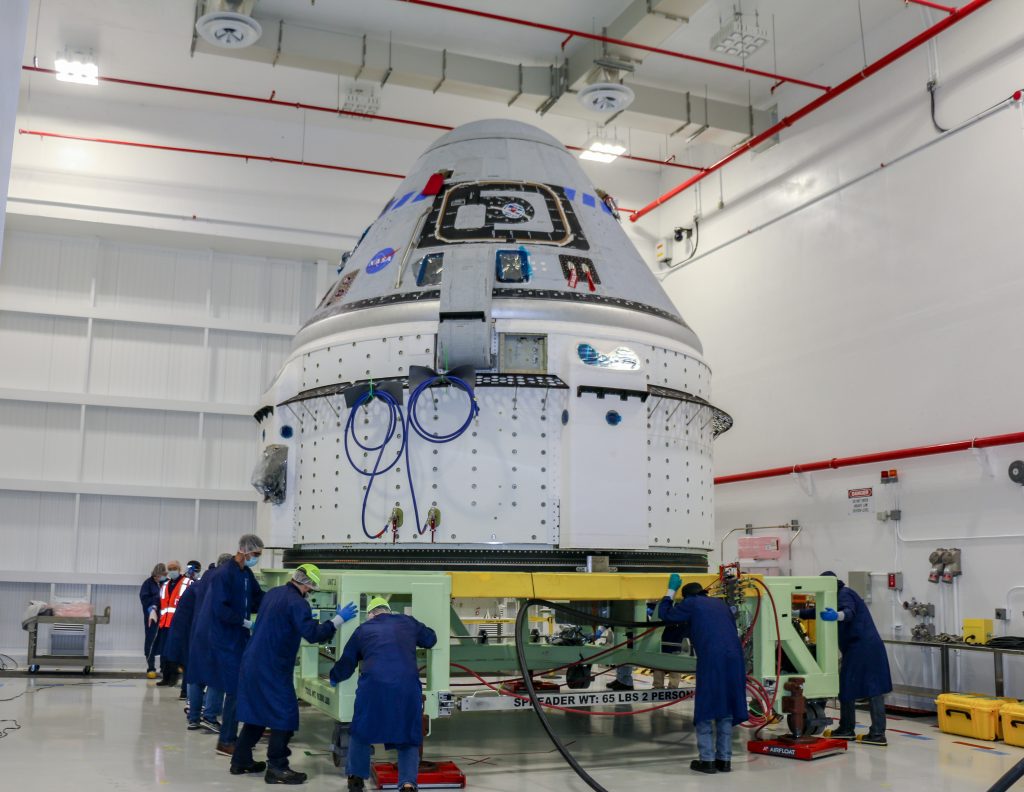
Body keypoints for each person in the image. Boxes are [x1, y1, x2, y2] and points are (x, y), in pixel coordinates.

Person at [231, 565, 358, 783]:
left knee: (257, 713)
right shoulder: (297, 603)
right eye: (312, 588)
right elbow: (312, 635)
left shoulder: (273, 593)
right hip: (272, 668)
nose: (311, 591)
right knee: (285, 715)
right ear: (308, 584)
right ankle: (278, 768)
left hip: (252, 662)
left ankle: (241, 761)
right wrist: (337, 620)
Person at [330, 596, 438, 792]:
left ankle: (355, 779)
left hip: (374, 687)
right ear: (388, 611)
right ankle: (407, 784)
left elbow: (347, 661)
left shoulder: (363, 630)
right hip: (406, 687)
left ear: (371, 614)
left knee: (361, 730)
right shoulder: (408, 622)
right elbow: (431, 639)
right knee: (408, 733)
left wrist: (334, 676)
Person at [659, 577, 747, 775]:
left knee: (706, 706)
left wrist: (670, 591)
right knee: (726, 705)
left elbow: (665, 615)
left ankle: (706, 761)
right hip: (735, 658)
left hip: (712, 658)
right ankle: (724, 760)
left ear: (688, 596)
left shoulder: (691, 603)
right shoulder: (720, 604)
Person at [189, 534, 266, 756]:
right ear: (244, 550)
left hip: (237, 638)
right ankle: (227, 741)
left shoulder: (246, 574)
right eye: (256, 554)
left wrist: (281, 599)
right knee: (233, 688)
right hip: (225, 640)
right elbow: (220, 609)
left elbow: (257, 597)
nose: (257, 558)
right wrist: (244, 622)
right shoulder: (224, 574)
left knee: (236, 689)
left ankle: (230, 737)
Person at [801, 571, 892, 746]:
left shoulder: (844, 593)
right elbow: (817, 611)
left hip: (863, 648)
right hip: (858, 648)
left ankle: (873, 733)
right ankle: (849, 729)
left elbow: (848, 612)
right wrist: (795, 613)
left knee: (871, 690)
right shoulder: (832, 596)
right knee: (851, 687)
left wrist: (837, 616)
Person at [165, 556, 227, 730]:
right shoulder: (221, 585)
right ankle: (210, 715)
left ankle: (193, 717)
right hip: (214, 637)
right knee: (216, 676)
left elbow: (181, 615)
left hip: (194, 638)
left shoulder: (196, 586)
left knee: (196, 677)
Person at [155, 560, 193, 688]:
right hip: (165, 624)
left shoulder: (187, 583)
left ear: (179, 568)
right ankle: (166, 677)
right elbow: (160, 602)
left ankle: (174, 678)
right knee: (165, 653)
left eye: (174, 568)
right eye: (170, 568)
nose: (172, 571)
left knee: (176, 652)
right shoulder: (165, 585)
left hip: (179, 625)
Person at [647, 602, 686, 690]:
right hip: (669, 643)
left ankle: (661, 686)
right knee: (669, 666)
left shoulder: (669, 615)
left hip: (671, 643)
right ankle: (670, 686)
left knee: (665, 665)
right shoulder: (681, 616)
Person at [140, 563, 166, 678]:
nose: (158, 578)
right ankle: (151, 667)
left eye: (160, 576)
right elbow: (144, 598)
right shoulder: (148, 583)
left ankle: (165, 668)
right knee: (150, 641)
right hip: (152, 618)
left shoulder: (167, 583)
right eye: (156, 576)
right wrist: (153, 606)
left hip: (165, 618)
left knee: (165, 643)